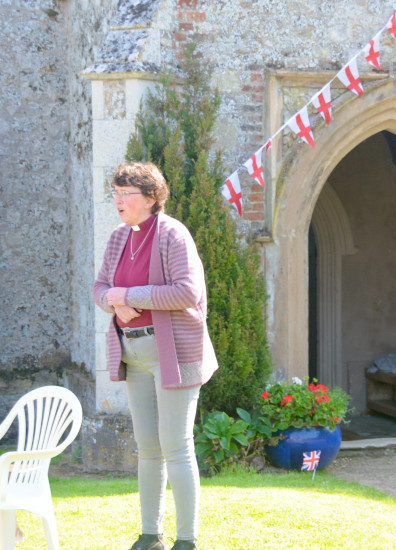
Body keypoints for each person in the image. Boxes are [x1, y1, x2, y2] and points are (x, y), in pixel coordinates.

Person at [93, 162, 218, 550]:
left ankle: (187, 540)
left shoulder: (173, 234)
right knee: (147, 447)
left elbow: (186, 292)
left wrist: (128, 297)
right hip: (133, 354)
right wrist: (113, 303)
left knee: (176, 446)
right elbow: (99, 288)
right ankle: (151, 535)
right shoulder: (117, 237)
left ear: (150, 198)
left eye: (125, 193)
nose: (118, 200)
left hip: (174, 354)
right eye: (115, 192)